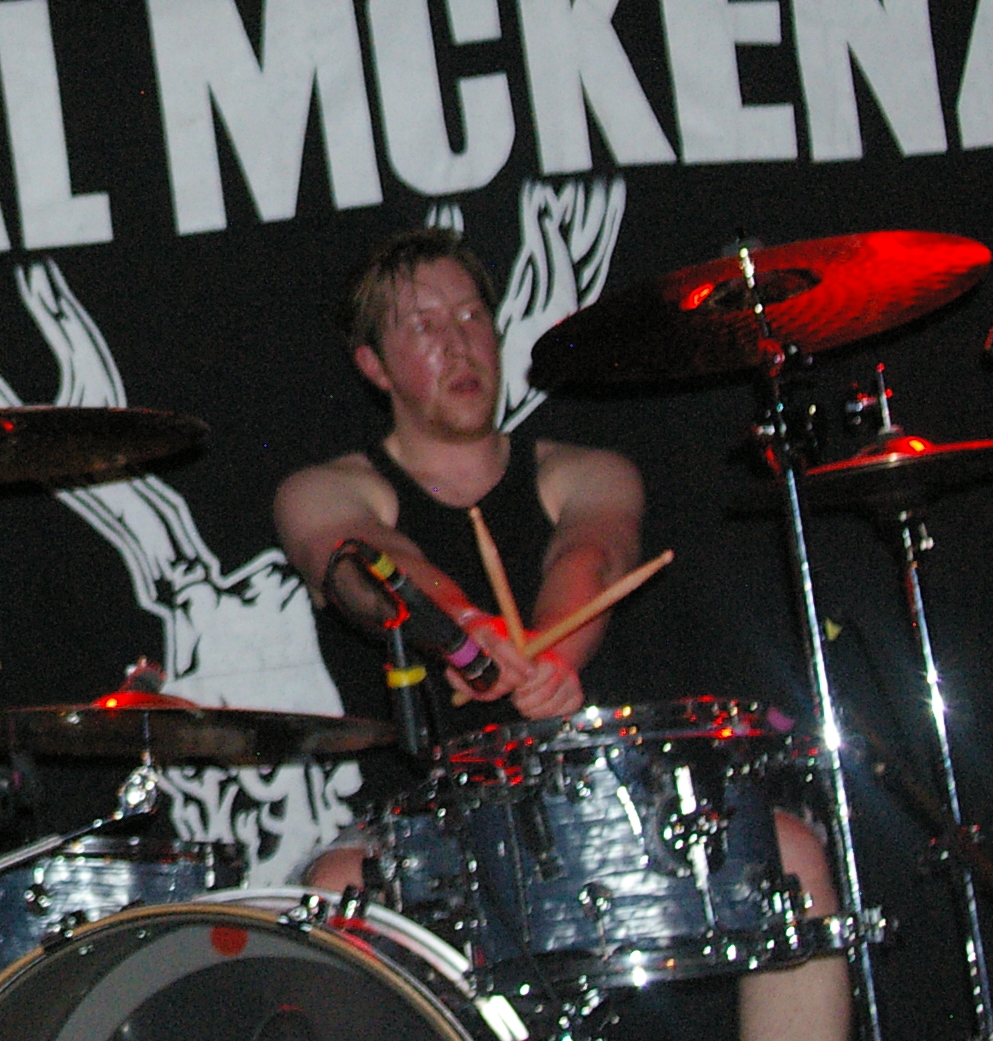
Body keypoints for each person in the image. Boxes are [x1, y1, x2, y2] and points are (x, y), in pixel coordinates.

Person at [274, 227, 847, 1041]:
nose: (459, 344)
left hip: (604, 801)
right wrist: (463, 633)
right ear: (373, 364)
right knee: (336, 887)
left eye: (472, 317)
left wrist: (546, 656)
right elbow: (373, 562)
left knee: (789, 852)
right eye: (425, 327)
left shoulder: (586, 469)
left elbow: (591, 556)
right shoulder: (323, 489)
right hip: (427, 822)